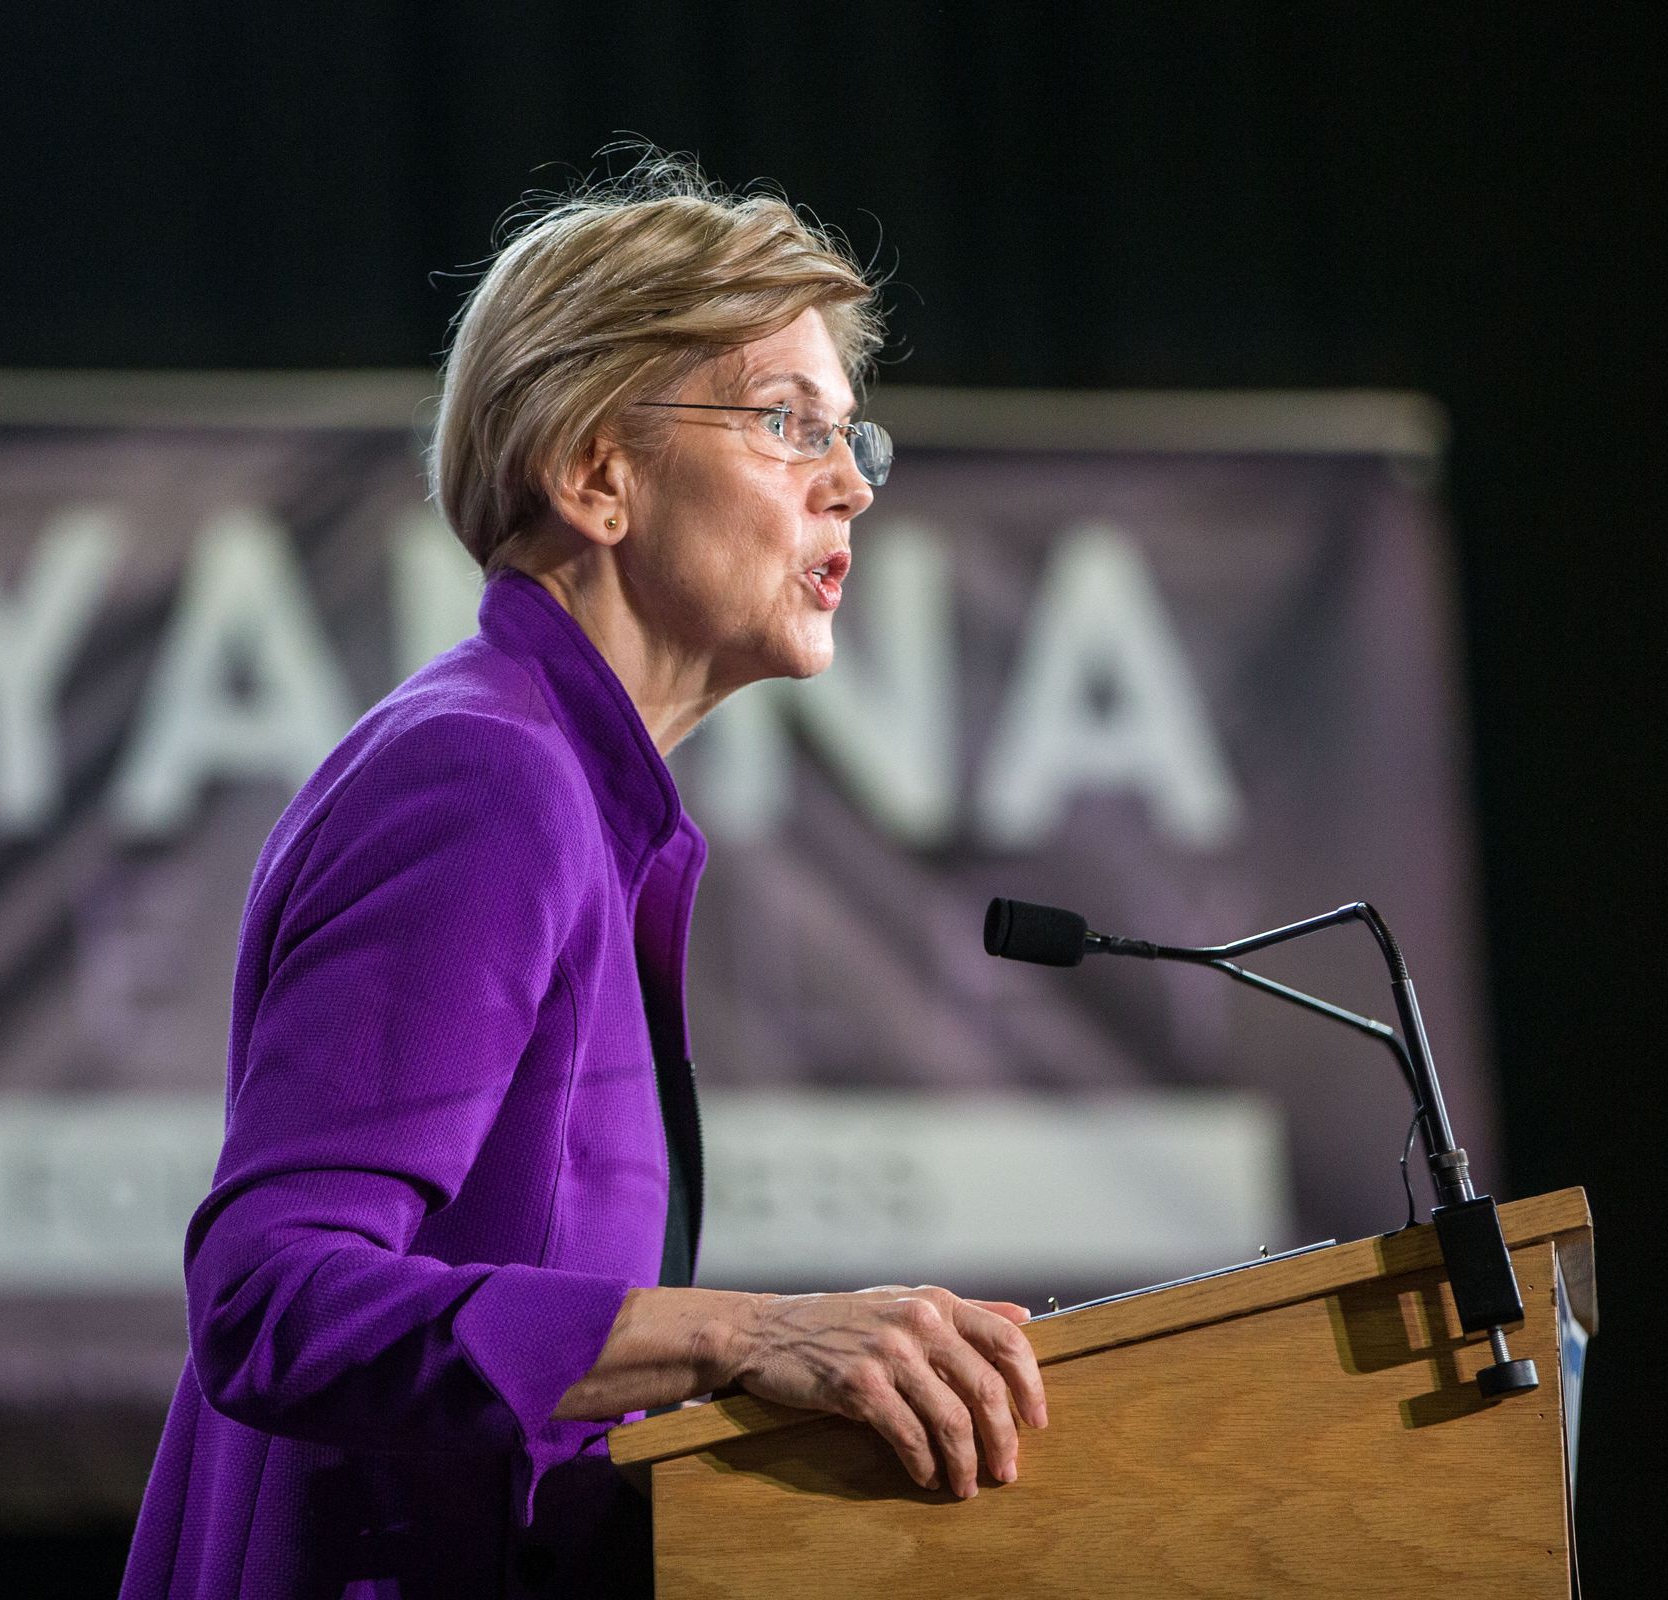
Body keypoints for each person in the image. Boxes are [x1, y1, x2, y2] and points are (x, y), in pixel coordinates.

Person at [118, 156, 1047, 1600]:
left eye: (852, 436)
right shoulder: (484, 780)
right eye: (786, 420)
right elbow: (272, 1299)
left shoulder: (559, 787)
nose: (846, 484)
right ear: (596, 472)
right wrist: (742, 1337)